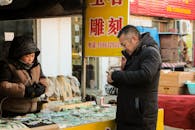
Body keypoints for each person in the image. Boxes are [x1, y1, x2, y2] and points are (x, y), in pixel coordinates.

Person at [107, 25, 162, 130]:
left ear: (134, 39)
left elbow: (145, 75)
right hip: (128, 115)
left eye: (124, 44)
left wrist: (116, 75)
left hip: (141, 117)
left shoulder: (150, 52)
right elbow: (131, 81)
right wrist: (114, 80)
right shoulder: (134, 55)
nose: (124, 48)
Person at [0, 35, 48, 117]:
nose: (30, 59)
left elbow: (43, 79)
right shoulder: (8, 66)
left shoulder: (36, 65)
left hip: (33, 110)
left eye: (32, 55)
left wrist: (42, 87)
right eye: (27, 56)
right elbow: (3, 86)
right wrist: (24, 90)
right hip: (12, 111)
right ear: (18, 54)